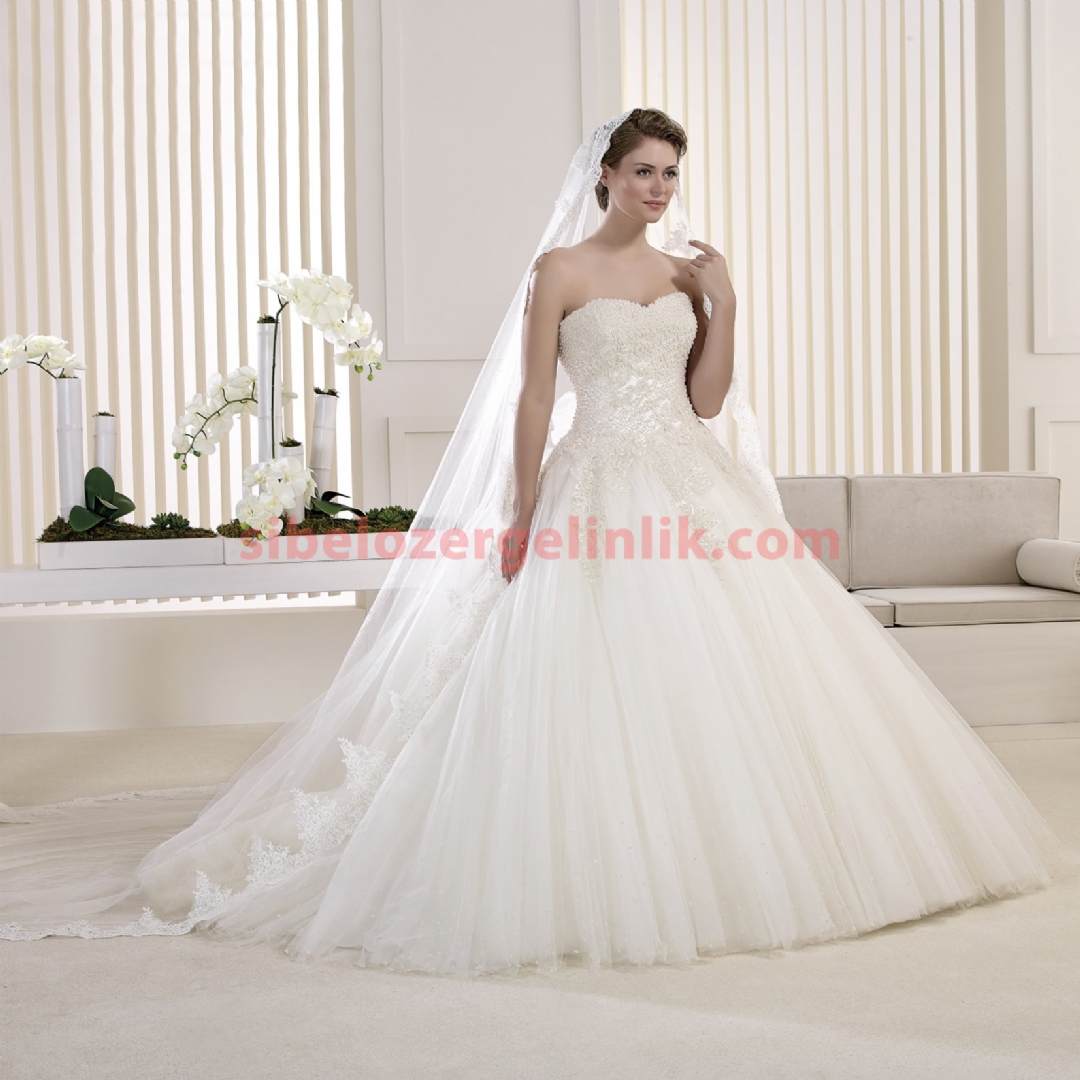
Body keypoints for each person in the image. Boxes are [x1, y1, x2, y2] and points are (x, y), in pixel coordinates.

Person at [0, 109, 1062, 977]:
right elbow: (535, 401)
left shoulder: (687, 275)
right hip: (591, 480)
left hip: (690, 483)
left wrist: (727, 303)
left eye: (672, 174)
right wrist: (517, 512)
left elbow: (704, 402)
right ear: (605, 175)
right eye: (643, 171)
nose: (660, 189)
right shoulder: (559, 270)